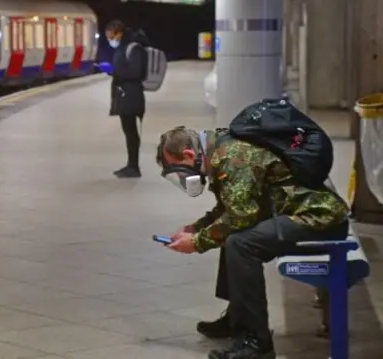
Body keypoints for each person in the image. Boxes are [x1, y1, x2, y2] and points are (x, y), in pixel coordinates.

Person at [156, 126, 350, 359]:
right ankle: (237, 317)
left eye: (180, 171)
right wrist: (197, 228)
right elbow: (230, 207)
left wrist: (197, 242)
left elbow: (241, 216)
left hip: (318, 219)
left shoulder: (229, 155)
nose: (184, 178)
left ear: (188, 154)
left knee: (241, 243)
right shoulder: (220, 148)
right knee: (233, 236)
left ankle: (257, 343)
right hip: (302, 213)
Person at [98, 19, 150, 178]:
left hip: (131, 95)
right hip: (125, 94)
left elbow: (136, 73)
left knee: (131, 132)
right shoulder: (124, 47)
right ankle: (131, 165)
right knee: (129, 131)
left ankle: (134, 166)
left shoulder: (134, 48)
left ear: (119, 33)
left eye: (111, 36)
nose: (110, 40)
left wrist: (114, 71)